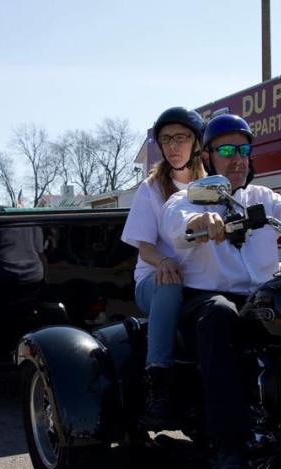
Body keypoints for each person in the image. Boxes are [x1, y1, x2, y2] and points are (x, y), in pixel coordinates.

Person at [159, 113, 281, 469]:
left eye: (243, 149)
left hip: (260, 297)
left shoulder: (261, 199)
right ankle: (229, 446)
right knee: (220, 314)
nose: (238, 158)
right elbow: (177, 222)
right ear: (207, 156)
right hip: (207, 299)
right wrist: (200, 224)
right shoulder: (189, 198)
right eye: (227, 150)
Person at [120, 107, 206, 426]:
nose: (172, 146)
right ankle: (158, 383)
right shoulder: (151, 188)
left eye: (180, 138)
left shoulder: (210, 184)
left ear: (196, 142)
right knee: (169, 282)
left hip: (200, 279)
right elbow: (144, 247)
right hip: (154, 281)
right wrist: (165, 260)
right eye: (165, 139)